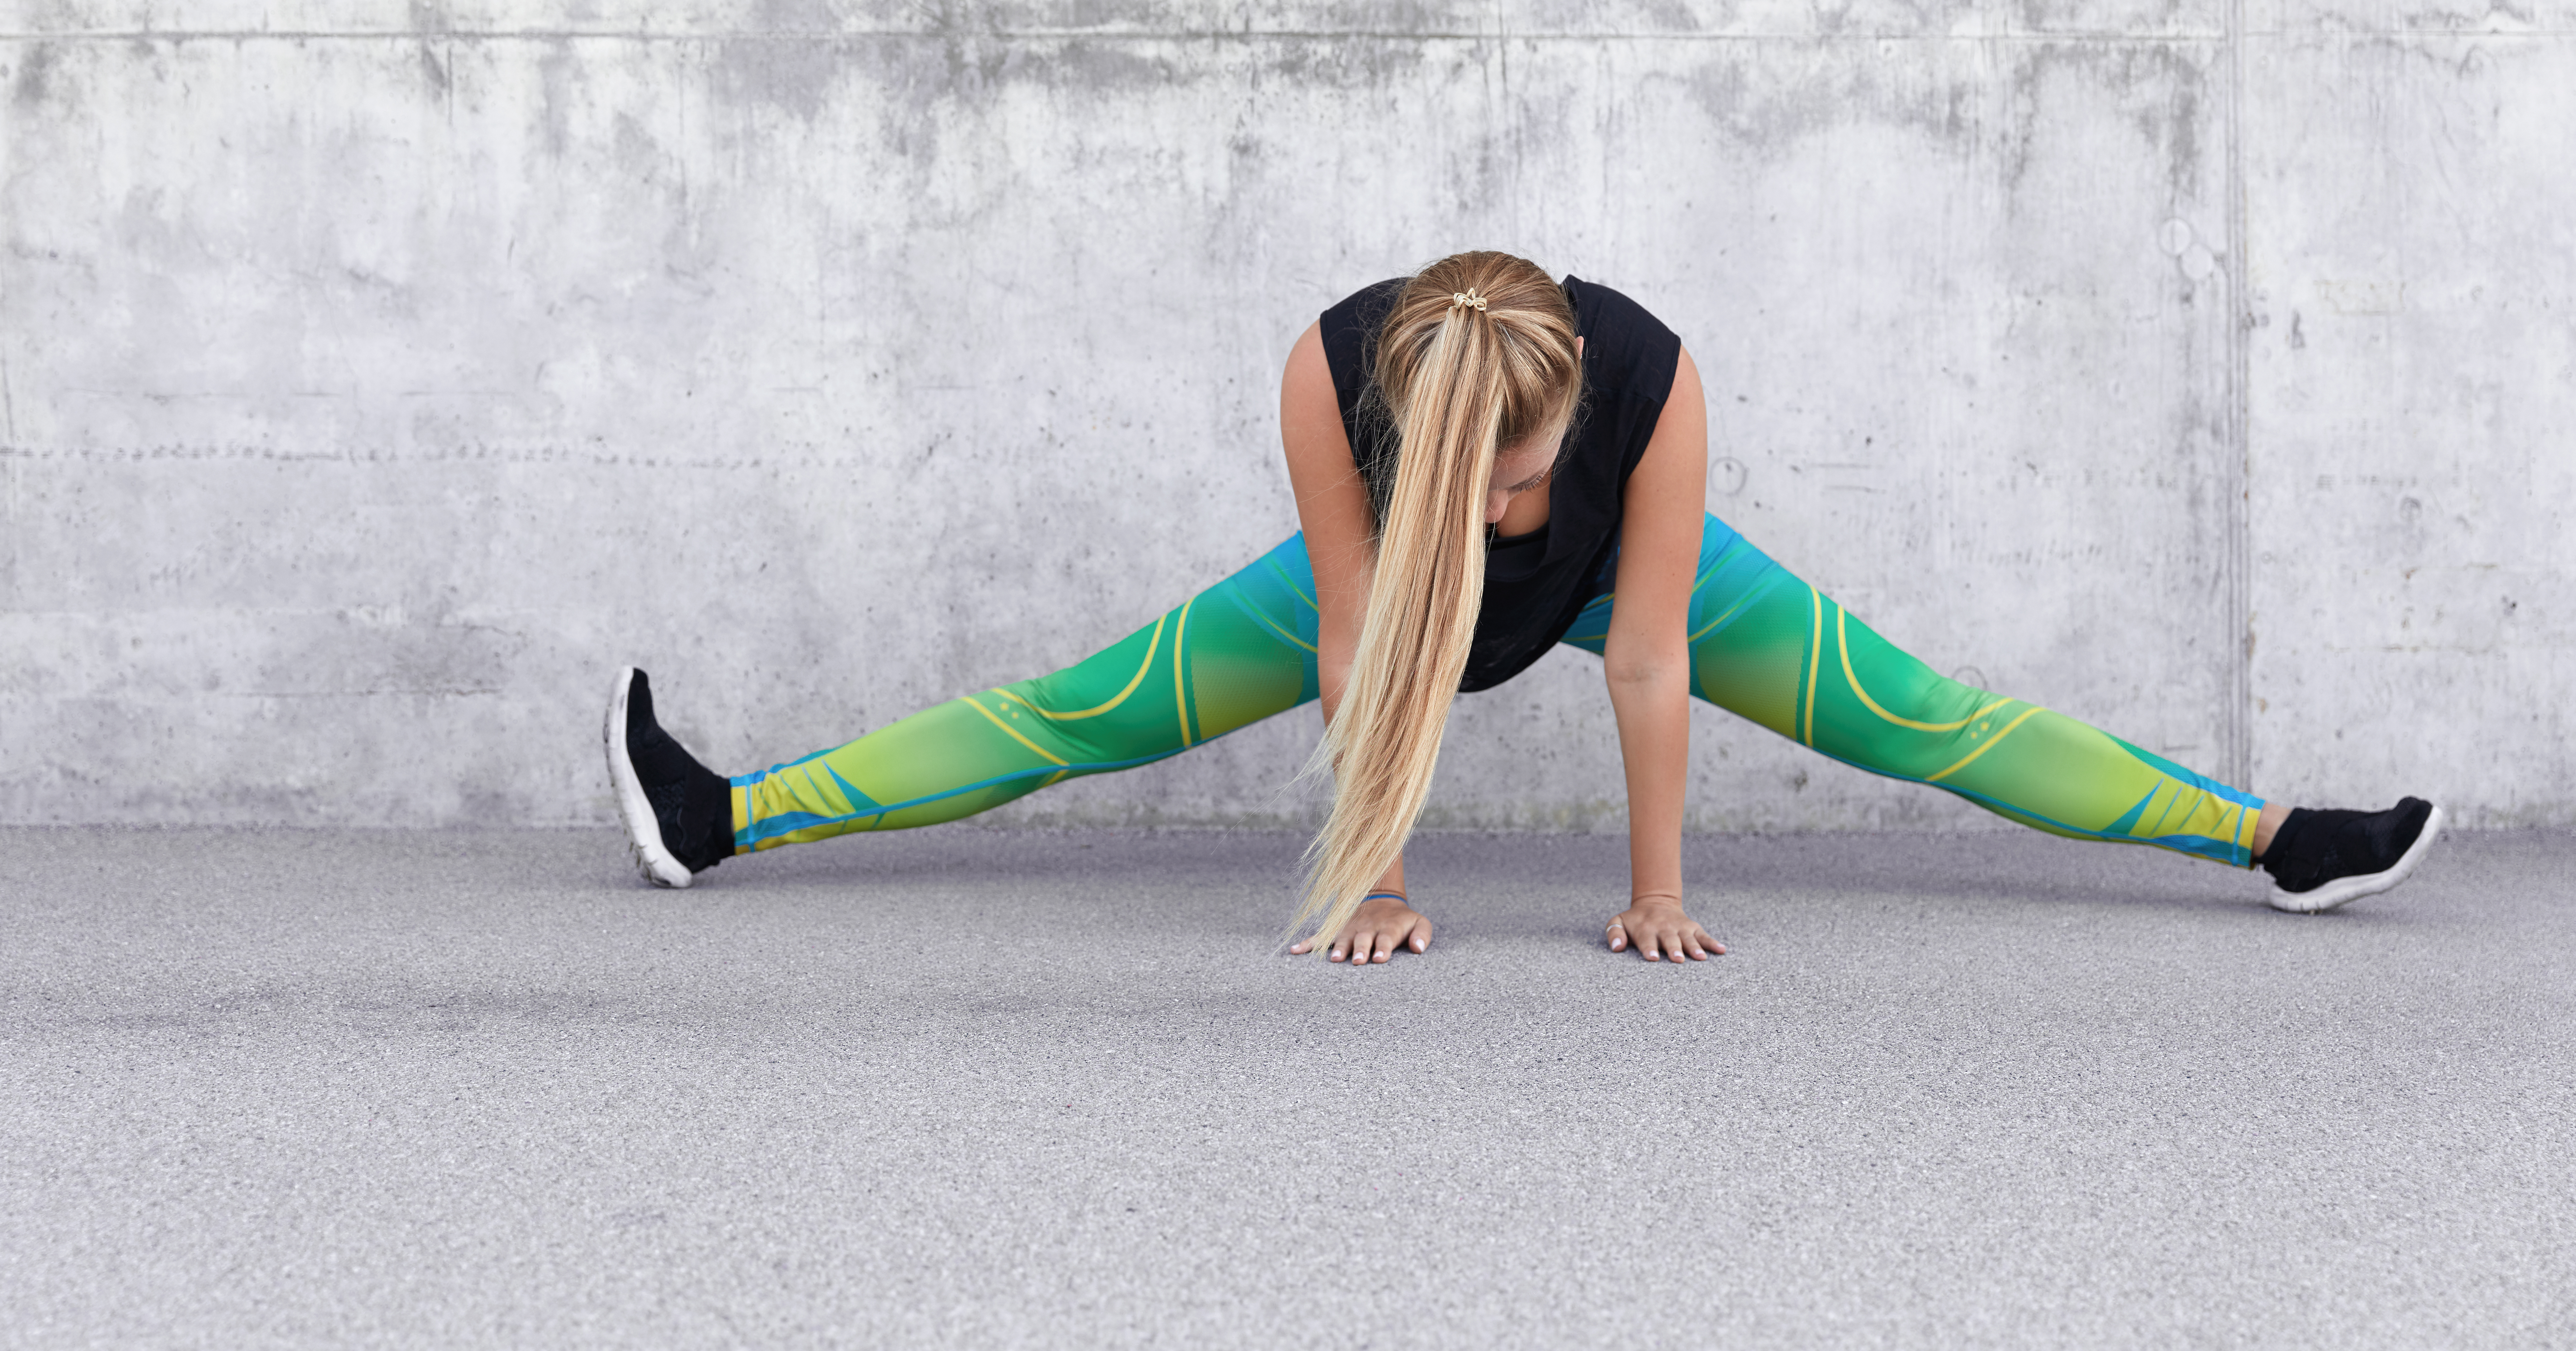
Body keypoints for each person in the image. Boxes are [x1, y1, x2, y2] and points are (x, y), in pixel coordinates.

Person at [604, 250, 2445, 963]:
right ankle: (726, 816)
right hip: (1375, 613)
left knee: (1925, 714)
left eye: (1521, 468)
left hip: (1632, 585)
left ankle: (2271, 840)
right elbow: (1357, 648)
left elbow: (1649, 656)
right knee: (1073, 710)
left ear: (1578, 407)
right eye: (1463, 473)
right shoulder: (1335, 376)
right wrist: (1379, 879)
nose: (1496, 506)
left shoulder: (1646, 378)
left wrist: (1651, 892)